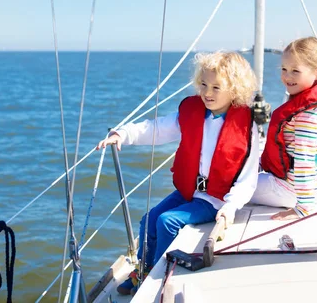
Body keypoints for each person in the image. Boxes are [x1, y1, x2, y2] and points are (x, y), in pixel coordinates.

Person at [97, 51, 262, 295]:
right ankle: (143, 269)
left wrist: (230, 207)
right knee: (147, 221)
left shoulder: (248, 125)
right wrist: (124, 134)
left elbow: (249, 177)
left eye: (217, 87)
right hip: (191, 190)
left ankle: (158, 277)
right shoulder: (192, 112)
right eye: (204, 84)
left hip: (216, 198)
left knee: (167, 221)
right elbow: (157, 129)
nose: (207, 93)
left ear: (235, 89)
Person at [251, 36, 317, 220]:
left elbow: (304, 158)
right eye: (284, 69)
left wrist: (302, 208)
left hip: (293, 190)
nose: (287, 76)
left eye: (295, 71)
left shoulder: (307, 115)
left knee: (229, 182)